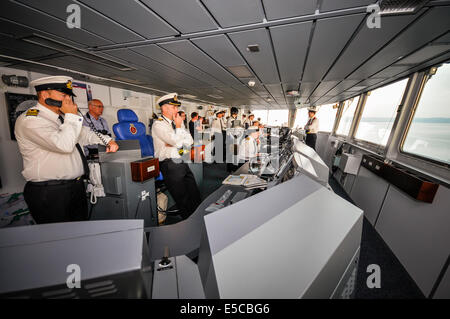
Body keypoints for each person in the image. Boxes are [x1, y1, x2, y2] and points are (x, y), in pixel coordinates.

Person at [14, 76, 119, 224]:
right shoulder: (31, 119)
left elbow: (85, 134)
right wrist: (71, 115)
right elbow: (64, 145)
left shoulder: (62, 119)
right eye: (63, 95)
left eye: (69, 96)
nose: (68, 100)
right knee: (57, 239)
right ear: (44, 95)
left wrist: (108, 140)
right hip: (50, 191)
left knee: (79, 232)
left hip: (74, 187)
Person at [151, 93, 201, 219]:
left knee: (194, 193)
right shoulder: (159, 124)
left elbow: (189, 141)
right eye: (174, 107)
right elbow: (178, 142)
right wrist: (178, 129)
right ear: (164, 108)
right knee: (183, 199)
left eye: (177, 107)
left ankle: (198, 218)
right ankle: (189, 222)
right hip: (169, 164)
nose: (177, 110)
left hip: (181, 160)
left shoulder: (177, 122)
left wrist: (176, 142)